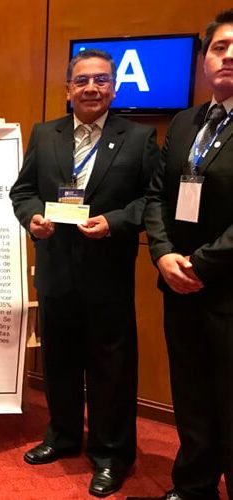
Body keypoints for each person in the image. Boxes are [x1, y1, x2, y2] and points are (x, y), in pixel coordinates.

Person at [10, 49, 159, 497]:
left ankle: (111, 454)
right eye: (82, 80)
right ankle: (62, 435)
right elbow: (22, 191)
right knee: (59, 361)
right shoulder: (45, 134)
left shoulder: (138, 138)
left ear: (114, 87)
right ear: (68, 89)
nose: (91, 88)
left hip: (107, 274)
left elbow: (152, 200)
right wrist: (33, 217)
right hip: (56, 270)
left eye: (101, 80)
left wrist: (114, 222)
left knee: (111, 368)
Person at [138, 9, 233, 500]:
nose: (229, 56)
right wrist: (162, 254)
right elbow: (157, 194)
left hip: (226, 288)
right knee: (192, 397)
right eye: (219, 47)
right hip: (178, 284)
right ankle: (194, 488)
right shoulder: (185, 121)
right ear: (204, 60)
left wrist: (200, 263)